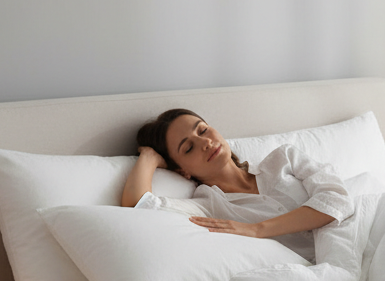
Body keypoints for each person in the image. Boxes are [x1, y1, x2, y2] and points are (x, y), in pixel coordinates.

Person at [124, 108, 354, 262]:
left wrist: (257, 229)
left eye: (203, 130)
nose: (205, 142)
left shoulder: (284, 159)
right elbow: (139, 205)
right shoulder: (208, 206)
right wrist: (149, 157)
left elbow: (338, 199)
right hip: (326, 269)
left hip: (360, 237)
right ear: (181, 170)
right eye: (188, 148)